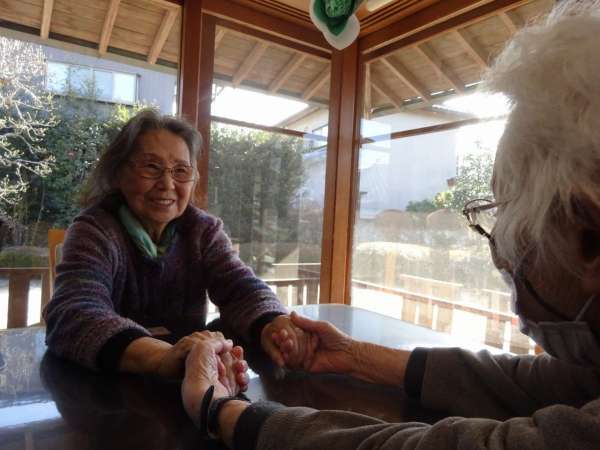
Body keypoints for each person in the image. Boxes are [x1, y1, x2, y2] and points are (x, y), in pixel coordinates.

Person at [180, 1, 600, 448]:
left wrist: (222, 411)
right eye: (151, 167)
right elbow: (540, 382)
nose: (501, 255)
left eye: (504, 218)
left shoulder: (204, 229)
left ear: (589, 238)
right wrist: (355, 356)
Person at [43, 109, 309, 380]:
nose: (167, 183)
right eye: (151, 167)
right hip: (109, 385)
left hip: (193, 375)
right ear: (119, 173)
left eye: (181, 170)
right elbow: (74, 312)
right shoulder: (94, 230)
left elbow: (240, 287)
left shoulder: (203, 230)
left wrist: (274, 326)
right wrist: (162, 357)